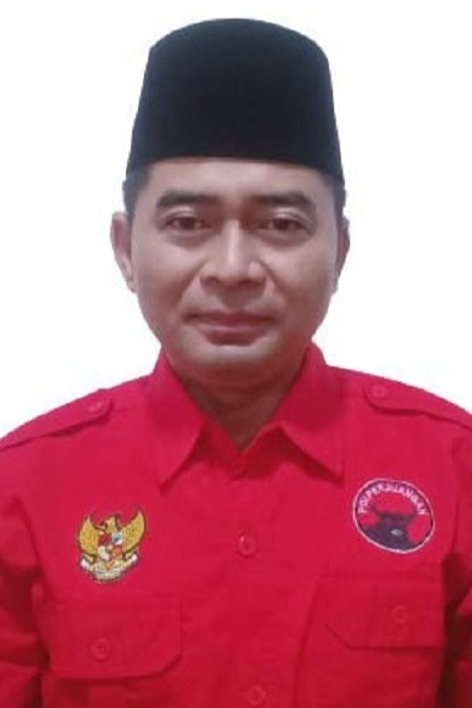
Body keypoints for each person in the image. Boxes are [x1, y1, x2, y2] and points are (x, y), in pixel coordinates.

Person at [0, 18, 471, 708]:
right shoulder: (23, 488)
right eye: (187, 223)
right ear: (126, 249)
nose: (232, 268)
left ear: (340, 251)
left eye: (281, 225)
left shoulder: (453, 469)